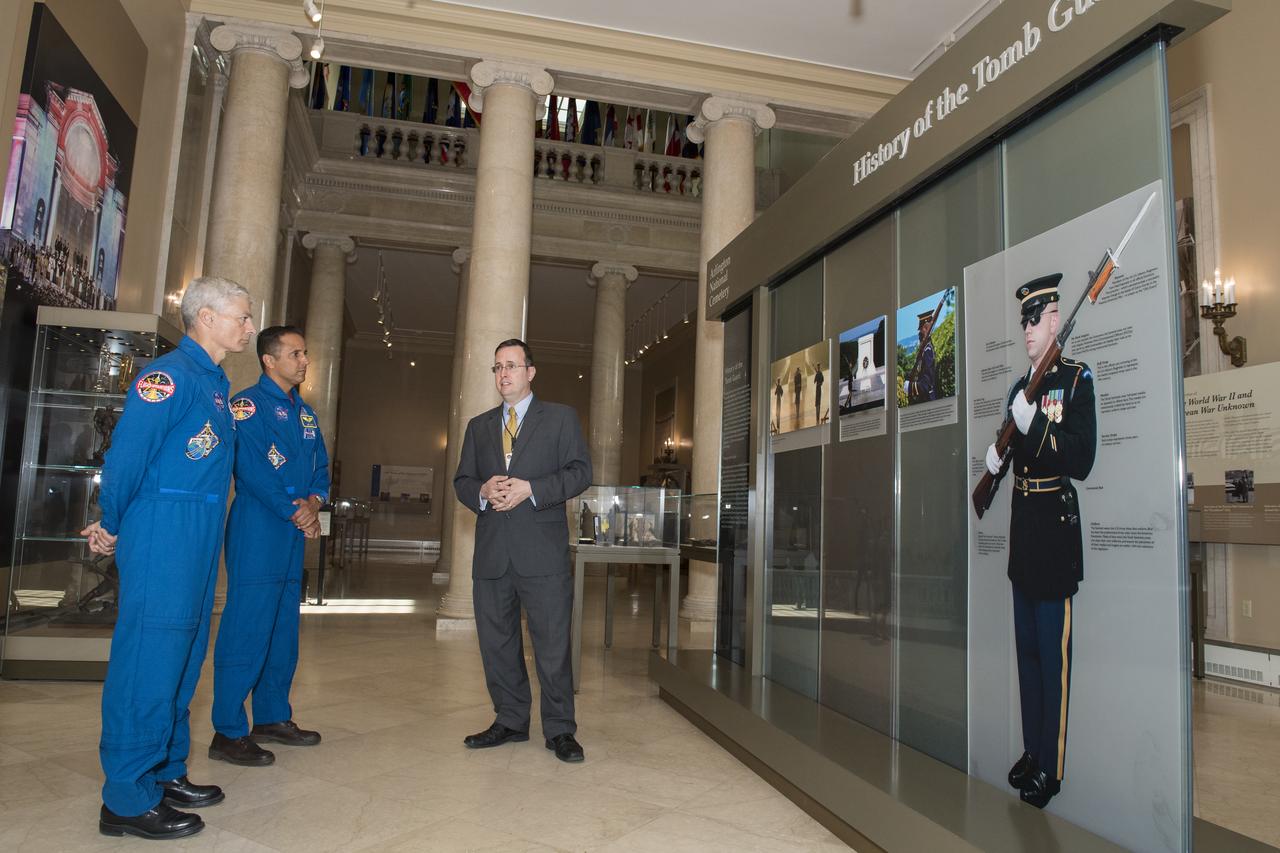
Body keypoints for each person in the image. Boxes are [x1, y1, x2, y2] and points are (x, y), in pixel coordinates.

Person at [82, 276, 255, 840]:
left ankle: (163, 768)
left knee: (184, 656)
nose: (248, 327)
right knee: (150, 658)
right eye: (241, 317)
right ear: (205, 317)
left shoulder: (213, 383)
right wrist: (111, 521)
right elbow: (127, 454)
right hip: (163, 528)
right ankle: (127, 796)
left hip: (199, 531)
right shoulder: (168, 377)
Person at [983, 274, 1096, 810]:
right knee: (1028, 655)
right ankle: (1032, 753)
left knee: (1054, 660)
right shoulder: (1017, 389)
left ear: (1055, 320)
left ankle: (1051, 770)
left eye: (1036, 320)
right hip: (1024, 537)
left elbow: (1081, 457)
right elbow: (1010, 453)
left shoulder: (1076, 381)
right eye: (1023, 321)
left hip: (1054, 537)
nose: (1027, 330)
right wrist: (994, 462)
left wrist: (1037, 431)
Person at [453, 339, 591, 763]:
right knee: (497, 644)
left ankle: (560, 730)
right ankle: (510, 720)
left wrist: (532, 489)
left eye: (511, 366)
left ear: (531, 372)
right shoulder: (479, 426)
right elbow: (462, 481)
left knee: (552, 646)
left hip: (543, 553)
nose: (503, 374)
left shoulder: (561, 419)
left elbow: (580, 473)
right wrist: (481, 489)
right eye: (497, 367)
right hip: (493, 553)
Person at [209, 326, 329, 767]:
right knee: (247, 627)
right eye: (295, 353)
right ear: (269, 360)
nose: (303, 360)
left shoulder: (306, 414)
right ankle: (227, 730)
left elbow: (321, 468)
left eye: (304, 353)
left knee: (282, 628)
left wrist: (314, 502)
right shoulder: (247, 406)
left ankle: (272, 716)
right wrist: (294, 509)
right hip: (259, 527)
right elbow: (252, 468)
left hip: (292, 531)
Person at [904, 311, 937, 403]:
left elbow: (926, 385)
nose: (920, 332)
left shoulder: (927, 351)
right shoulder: (924, 350)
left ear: (925, 329)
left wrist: (910, 387)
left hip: (928, 400)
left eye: (926, 328)